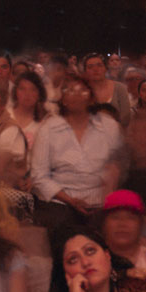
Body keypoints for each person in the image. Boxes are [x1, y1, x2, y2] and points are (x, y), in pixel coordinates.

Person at [27, 76, 121, 252]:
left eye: (82, 90)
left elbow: (118, 166)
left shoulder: (109, 126)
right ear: (62, 98)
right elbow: (39, 176)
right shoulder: (49, 128)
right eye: (69, 90)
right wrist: (70, 200)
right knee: (64, 229)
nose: (76, 95)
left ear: (91, 97)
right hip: (61, 201)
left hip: (101, 199)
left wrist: (105, 197)